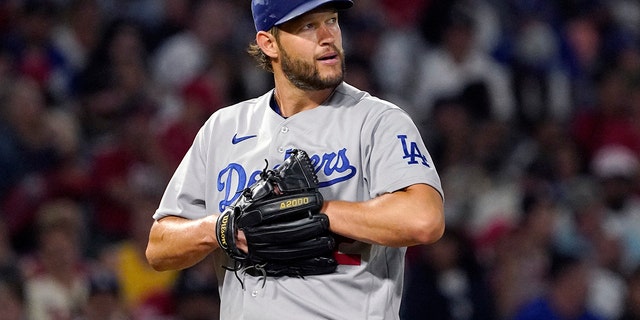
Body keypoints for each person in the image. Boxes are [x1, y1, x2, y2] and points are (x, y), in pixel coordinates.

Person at [145, 0, 445, 319]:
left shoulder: (377, 121)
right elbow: (159, 247)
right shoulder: (223, 129)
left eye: (331, 20)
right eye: (307, 26)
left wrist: (318, 210)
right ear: (269, 43)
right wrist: (218, 228)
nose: (328, 35)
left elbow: (424, 219)